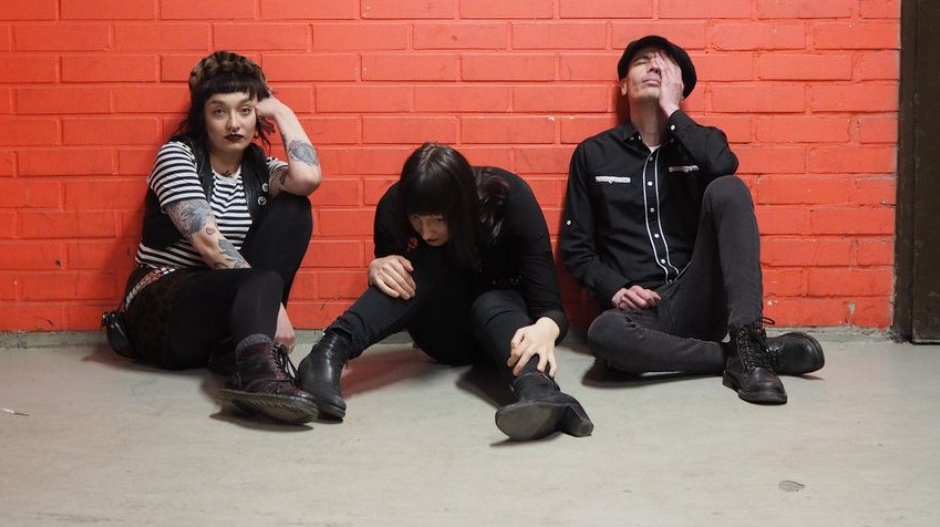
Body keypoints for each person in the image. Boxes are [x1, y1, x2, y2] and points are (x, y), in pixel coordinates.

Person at [560, 35, 825, 405]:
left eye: (665, 65)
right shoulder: (593, 154)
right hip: (644, 314)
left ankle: (746, 337)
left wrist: (672, 109)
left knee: (729, 188)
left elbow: (724, 167)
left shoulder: (703, 144)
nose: (654, 67)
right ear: (623, 85)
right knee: (604, 334)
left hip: (699, 296)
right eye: (642, 61)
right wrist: (615, 287)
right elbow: (576, 249)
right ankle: (745, 356)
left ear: (679, 85)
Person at [296, 142, 593, 440]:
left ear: (463, 206)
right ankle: (326, 354)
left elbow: (549, 306)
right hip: (442, 334)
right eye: (417, 219)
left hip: (506, 329)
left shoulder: (510, 200)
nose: (426, 232)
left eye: (438, 219)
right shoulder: (394, 206)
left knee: (490, 301)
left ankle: (539, 390)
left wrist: (547, 327)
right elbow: (392, 295)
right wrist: (379, 266)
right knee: (419, 265)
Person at [117, 50, 321, 424]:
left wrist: (282, 112)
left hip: (224, 307)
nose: (233, 123)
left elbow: (307, 179)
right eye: (219, 111)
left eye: (245, 110)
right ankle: (258, 376)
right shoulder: (177, 156)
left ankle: (246, 355)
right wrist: (272, 307)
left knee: (295, 209)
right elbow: (209, 244)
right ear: (202, 117)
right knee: (260, 279)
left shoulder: (260, 168)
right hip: (163, 310)